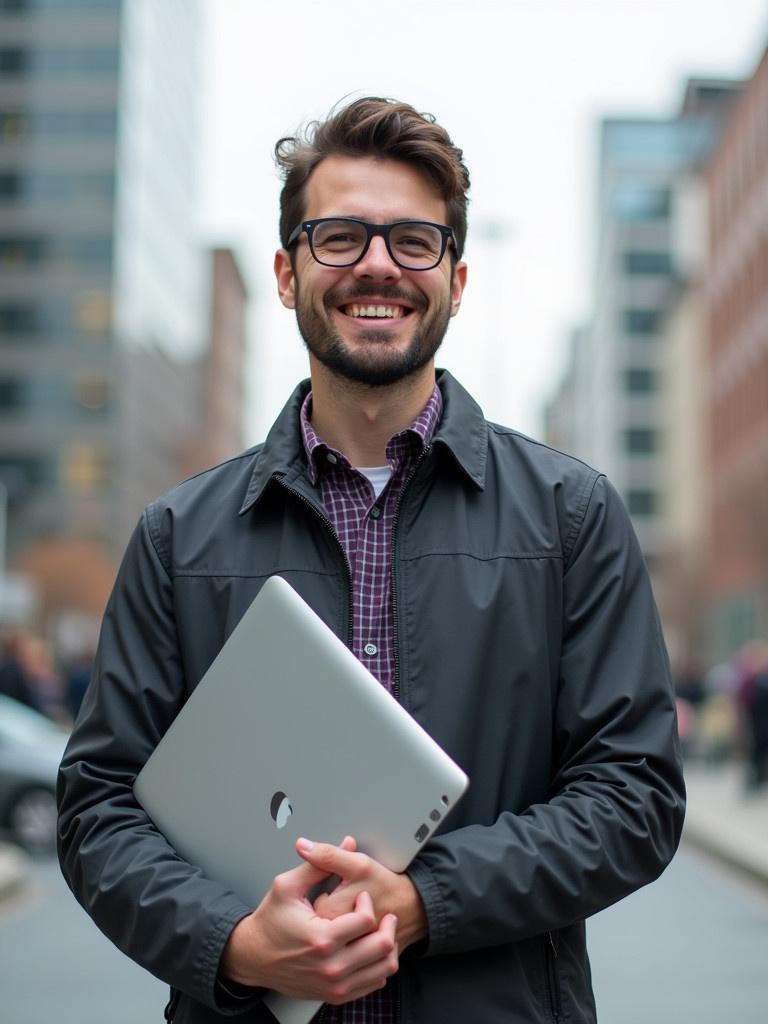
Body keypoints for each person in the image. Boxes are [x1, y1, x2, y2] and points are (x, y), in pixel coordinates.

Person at [57, 97, 685, 1024]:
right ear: (287, 271)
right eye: (341, 237)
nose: (379, 266)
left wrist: (427, 900)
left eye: (414, 242)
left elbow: (635, 796)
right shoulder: (176, 537)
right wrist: (231, 941)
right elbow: (98, 809)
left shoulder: (573, 516)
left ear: (458, 279)